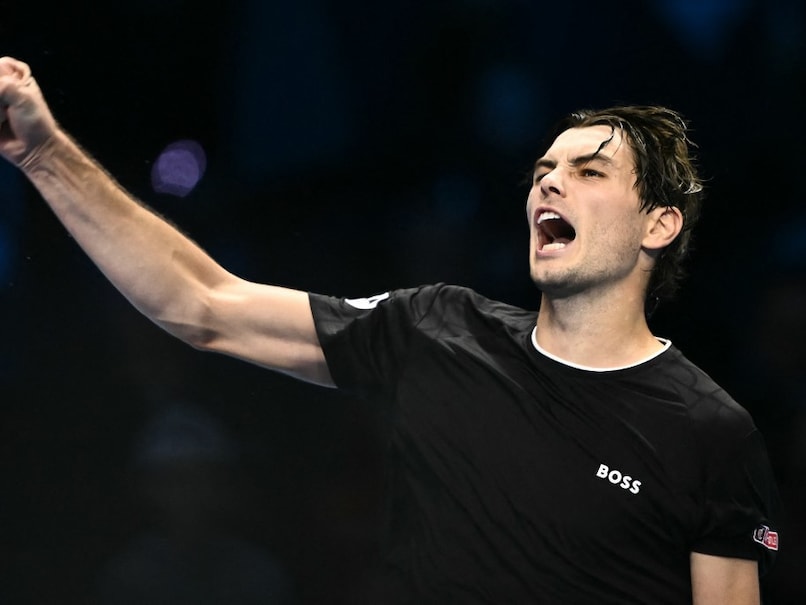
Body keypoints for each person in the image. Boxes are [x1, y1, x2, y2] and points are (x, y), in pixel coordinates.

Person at [0, 56, 780, 604]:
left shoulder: (710, 431)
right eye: (544, 168)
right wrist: (41, 152)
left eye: (589, 171)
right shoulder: (436, 329)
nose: (549, 179)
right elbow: (200, 303)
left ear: (660, 224)